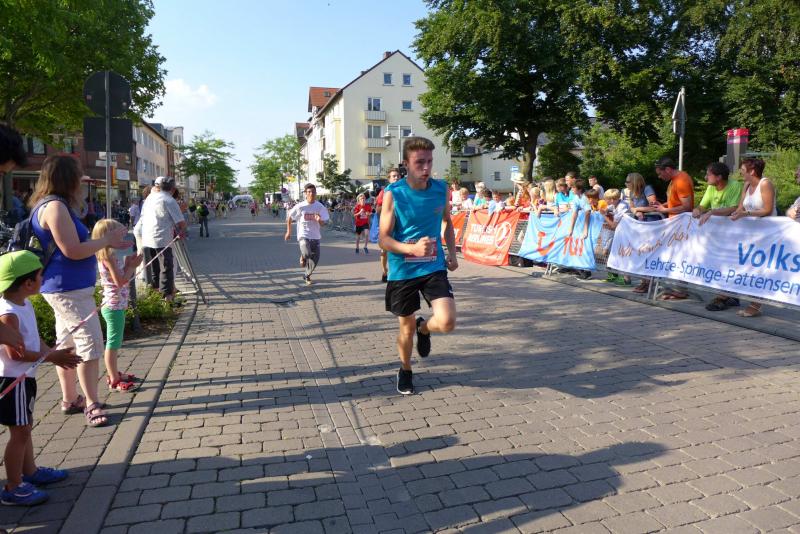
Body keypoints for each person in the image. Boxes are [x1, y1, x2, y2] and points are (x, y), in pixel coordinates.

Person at [31, 155, 129, 427]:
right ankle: (91, 403)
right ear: (68, 178)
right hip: (69, 290)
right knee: (90, 344)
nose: (82, 181)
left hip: (65, 288)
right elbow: (72, 250)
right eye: (79, 175)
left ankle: (70, 398)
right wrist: (105, 240)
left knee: (67, 344)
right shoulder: (55, 207)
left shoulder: (53, 205)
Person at [0, 251, 81, 506]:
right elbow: (16, 353)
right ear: (28, 283)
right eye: (40, 275)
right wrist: (51, 357)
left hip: (24, 378)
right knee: (20, 432)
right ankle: (13, 486)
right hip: (13, 380)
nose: (42, 279)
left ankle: (30, 471)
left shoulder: (23, 304)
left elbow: (34, 340)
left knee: (24, 428)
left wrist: (52, 353)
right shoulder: (8, 313)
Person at [379, 137, 457, 395]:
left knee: (447, 321)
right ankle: (405, 369)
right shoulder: (394, 193)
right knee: (406, 327)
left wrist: (452, 252)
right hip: (403, 269)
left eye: (429, 162)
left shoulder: (441, 189)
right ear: (406, 163)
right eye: (419, 162)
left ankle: (425, 329)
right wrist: (411, 249)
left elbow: (447, 222)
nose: (426, 168)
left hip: (433, 266)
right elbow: (383, 239)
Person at [91, 219, 143, 392]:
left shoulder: (108, 255)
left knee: (115, 342)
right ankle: (113, 378)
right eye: (118, 235)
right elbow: (120, 282)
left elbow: (120, 277)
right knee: (113, 344)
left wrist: (128, 264)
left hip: (116, 305)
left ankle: (114, 373)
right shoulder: (108, 257)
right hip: (114, 307)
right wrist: (133, 267)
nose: (121, 238)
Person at [691, 162, 745, 311]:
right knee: (720, 263)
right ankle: (729, 296)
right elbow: (703, 205)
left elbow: (734, 208)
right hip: (718, 235)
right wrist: (698, 210)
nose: (705, 177)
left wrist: (712, 212)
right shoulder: (711, 187)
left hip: (734, 234)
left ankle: (723, 297)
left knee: (729, 264)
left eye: (708, 175)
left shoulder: (735, 186)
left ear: (719, 177)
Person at [730, 158, 776, 318]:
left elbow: (767, 210)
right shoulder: (747, 185)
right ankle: (753, 301)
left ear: (752, 171)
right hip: (750, 234)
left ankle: (755, 305)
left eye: (743, 170)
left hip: (767, 233)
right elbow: (740, 207)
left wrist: (746, 213)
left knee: (760, 268)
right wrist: (734, 214)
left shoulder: (765, 184)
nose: (740, 173)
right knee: (749, 267)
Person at [134, 176, 187, 301]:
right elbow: (181, 223)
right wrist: (182, 232)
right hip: (162, 239)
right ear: (172, 189)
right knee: (166, 267)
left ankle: (155, 293)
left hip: (147, 238)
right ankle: (167, 297)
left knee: (155, 268)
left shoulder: (150, 198)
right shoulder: (169, 200)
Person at [652, 157, 695, 300]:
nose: (659, 177)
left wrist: (665, 210)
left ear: (668, 169)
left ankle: (680, 290)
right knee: (673, 256)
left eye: (660, 173)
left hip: (681, 225)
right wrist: (663, 206)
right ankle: (675, 289)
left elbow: (687, 206)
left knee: (679, 256)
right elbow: (675, 202)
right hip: (675, 224)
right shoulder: (674, 180)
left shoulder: (681, 180)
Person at [285, 184, 330, 285]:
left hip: (316, 236)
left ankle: (307, 275)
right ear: (305, 193)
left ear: (316, 193)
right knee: (307, 253)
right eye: (309, 192)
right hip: (303, 234)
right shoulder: (300, 206)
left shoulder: (320, 207)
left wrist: (319, 220)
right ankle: (303, 256)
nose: (311, 194)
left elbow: (323, 224)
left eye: (313, 192)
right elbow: (290, 218)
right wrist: (288, 231)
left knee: (315, 259)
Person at [600, 189, 631, 285]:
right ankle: (615, 276)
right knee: (616, 253)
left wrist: (604, 216)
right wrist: (605, 211)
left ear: (612, 199)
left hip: (628, 233)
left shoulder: (622, 206)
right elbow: (607, 209)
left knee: (624, 254)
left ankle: (627, 280)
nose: (605, 201)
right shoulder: (614, 204)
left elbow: (614, 225)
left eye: (607, 199)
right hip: (622, 233)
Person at [377, 168, 402, 282]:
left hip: (400, 225)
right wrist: (387, 207)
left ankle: (396, 273)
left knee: (398, 249)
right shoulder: (385, 192)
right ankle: (384, 271)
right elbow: (378, 209)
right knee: (384, 251)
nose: (396, 178)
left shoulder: (405, 190)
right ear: (389, 179)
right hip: (387, 223)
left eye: (398, 176)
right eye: (394, 176)